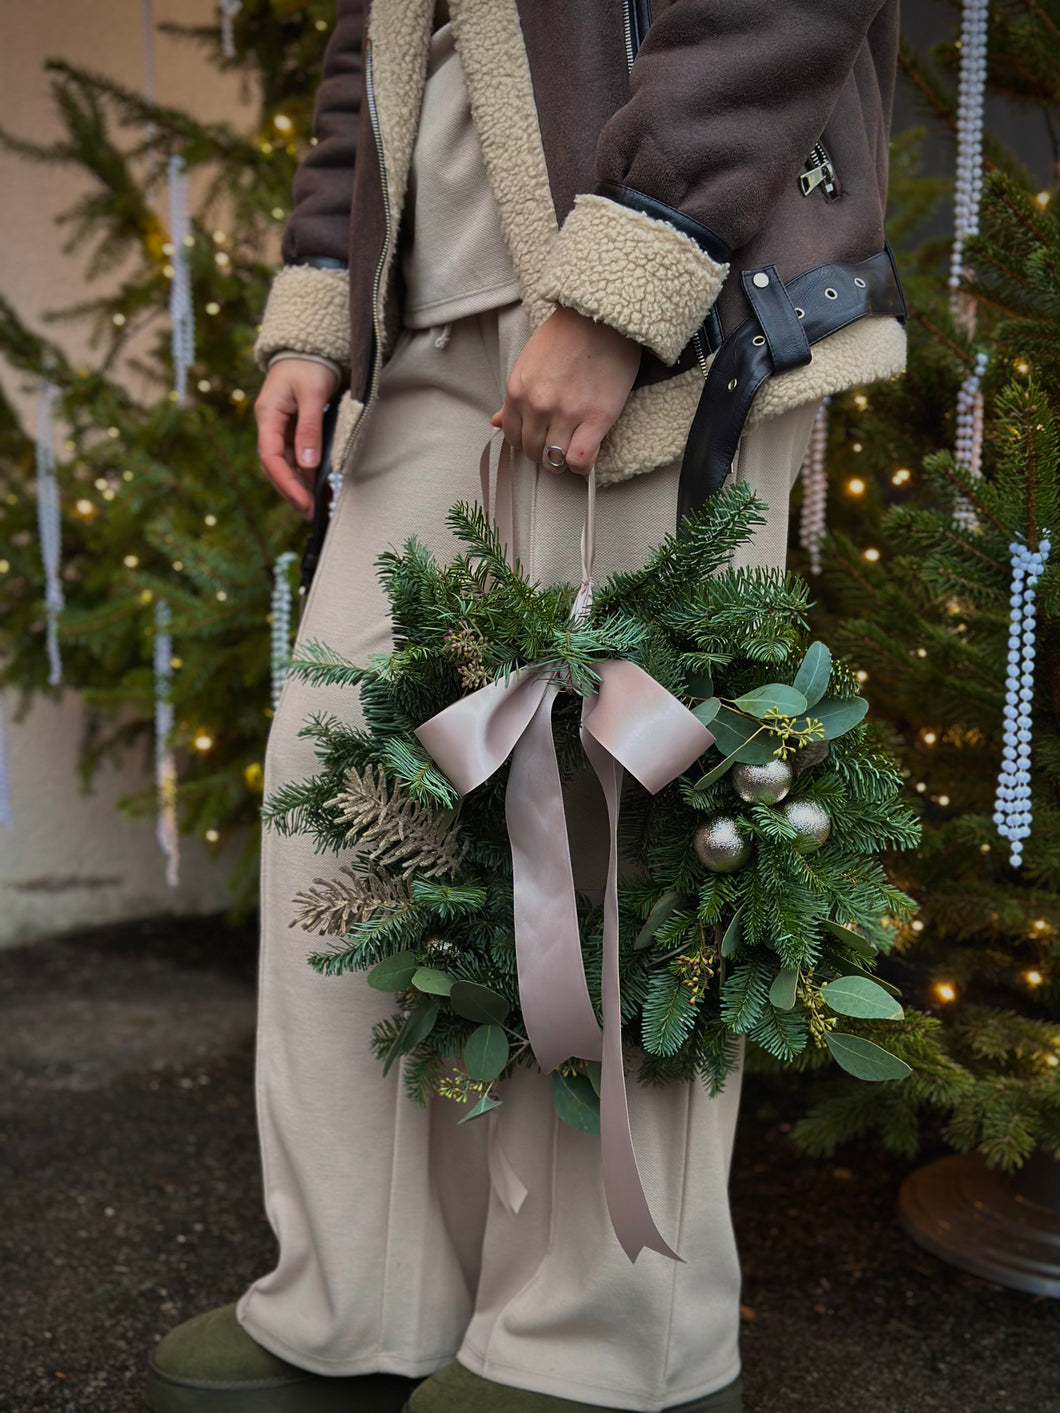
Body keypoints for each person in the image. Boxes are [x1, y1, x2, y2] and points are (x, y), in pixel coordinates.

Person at [146, 3, 906, 1411]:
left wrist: (637, 265)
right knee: (342, 788)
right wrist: (323, 274)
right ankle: (359, 1297)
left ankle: (608, 1340)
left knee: (614, 806)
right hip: (421, 305)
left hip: (672, 288)